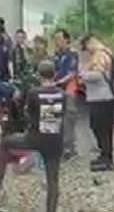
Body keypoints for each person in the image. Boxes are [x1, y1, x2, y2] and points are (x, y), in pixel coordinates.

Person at [0, 60, 65, 212]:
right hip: (55, 139)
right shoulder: (63, 94)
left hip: (35, 137)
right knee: (53, 179)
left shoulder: (34, 92)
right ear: (54, 74)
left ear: (39, 75)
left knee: (5, 143)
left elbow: (27, 113)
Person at [79, 34, 114, 171]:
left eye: (86, 47)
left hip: (101, 96)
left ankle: (106, 156)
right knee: (102, 128)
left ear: (90, 43)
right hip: (102, 96)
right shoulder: (105, 52)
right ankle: (105, 155)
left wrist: (83, 75)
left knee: (100, 128)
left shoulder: (100, 55)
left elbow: (98, 75)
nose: (87, 51)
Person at [52, 29, 79, 158]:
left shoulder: (72, 54)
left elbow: (72, 73)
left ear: (66, 39)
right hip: (56, 88)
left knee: (69, 118)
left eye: (59, 38)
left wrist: (59, 82)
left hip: (69, 88)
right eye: (55, 39)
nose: (57, 42)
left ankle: (69, 146)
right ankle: (56, 145)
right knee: (55, 116)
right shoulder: (56, 54)